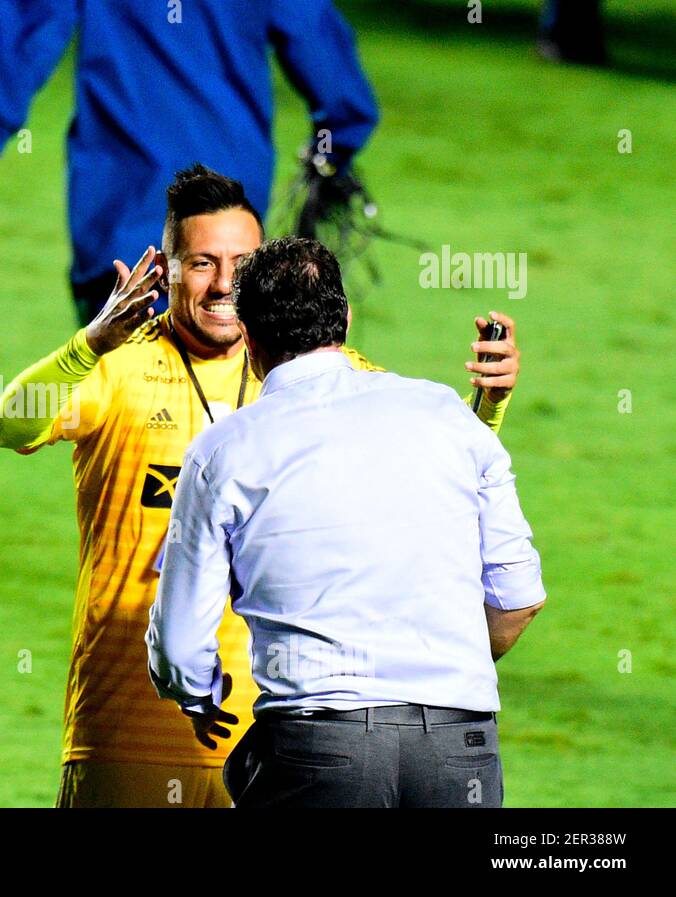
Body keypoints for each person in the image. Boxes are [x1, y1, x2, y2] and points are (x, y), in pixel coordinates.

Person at [0, 165, 522, 807]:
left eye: (240, 265)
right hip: (130, 726)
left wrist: (486, 407)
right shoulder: (120, 366)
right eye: (202, 263)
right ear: (167, 270)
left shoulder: (324, 370)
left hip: (282, 730)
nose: (223, 286)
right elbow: (10, 426)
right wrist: (91, 342)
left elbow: (419, 471)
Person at [147, 237, 546, 808]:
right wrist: (437, 669)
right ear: (347, 318)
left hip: (318, 748)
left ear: (249, 340)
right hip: (462, 751)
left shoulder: (222, 452)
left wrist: (194, 695)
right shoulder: (450, 417)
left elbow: (181, 650)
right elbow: (518, 599)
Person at [0, 0, 378, 323]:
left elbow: (29, 15)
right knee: (216, 408)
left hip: (119, 210)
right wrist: (335, 144)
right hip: (227, 219)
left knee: (118, 412)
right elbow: (320, 46)